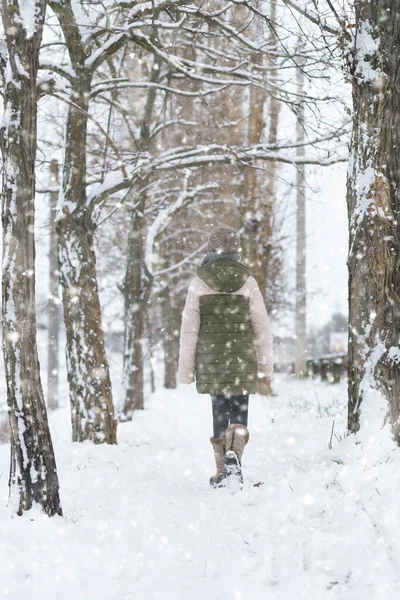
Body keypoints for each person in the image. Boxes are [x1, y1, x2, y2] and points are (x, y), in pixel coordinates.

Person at [178, 226, 273, 489]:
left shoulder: (198, 283)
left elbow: (189, 331)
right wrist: (265, 365)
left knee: (219, 411)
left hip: (211, 361)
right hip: (242, 359)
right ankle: (236, 458)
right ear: (236, 251)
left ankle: (222, 471)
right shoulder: (248, 282)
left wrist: (186, 370)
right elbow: (262, 328)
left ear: (210, 249)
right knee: (240, 410)